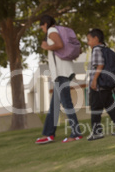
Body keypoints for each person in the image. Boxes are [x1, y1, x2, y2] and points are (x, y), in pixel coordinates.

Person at [35, 15, 83, 144]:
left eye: (41, 27)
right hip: (63, 72)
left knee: (66, 103)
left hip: (61, 73)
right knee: (55, 105)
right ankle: (49, 134)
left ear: (45, 24)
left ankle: (76, 133)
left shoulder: (51, 30)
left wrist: (46, 47)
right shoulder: (56, 30)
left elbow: (59, 44)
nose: (42, 29)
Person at [86, 28, 115, 141]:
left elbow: (99, 65)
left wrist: (94, 81)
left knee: (95, 108)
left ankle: (96, 132)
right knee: (110, 107)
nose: (88, 43)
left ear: (96, 39)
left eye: (89, 39)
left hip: (99, 85)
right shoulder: (106, 50)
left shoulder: (96, 50)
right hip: (106, 84)